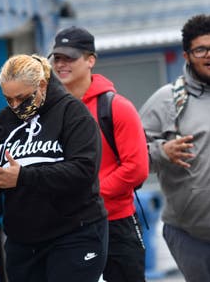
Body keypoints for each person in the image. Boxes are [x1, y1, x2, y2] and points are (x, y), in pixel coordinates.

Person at [0, 54, 107, 282]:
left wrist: (23, 177)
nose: (16, 106)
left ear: (42, 85)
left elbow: (83, 172)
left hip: (75, 233)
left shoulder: (72, 113)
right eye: (9, 99)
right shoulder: (3, 122)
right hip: (23, 242)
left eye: (22, 98)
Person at [50, 26, 149, 282]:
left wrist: (87, 195)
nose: (61, 64)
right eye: (57, 58)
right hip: (66, 229)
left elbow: (136, 169)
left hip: (114, 224)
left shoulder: (117, 108)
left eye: (69, 57)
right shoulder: (48, 112)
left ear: (90, 60)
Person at [139, 14, 210, 282]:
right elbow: (133, 158)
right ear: (187, 55)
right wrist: (162, 152)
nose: (209, 55)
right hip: (191, 237)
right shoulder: (167, 101)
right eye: (201, 49)